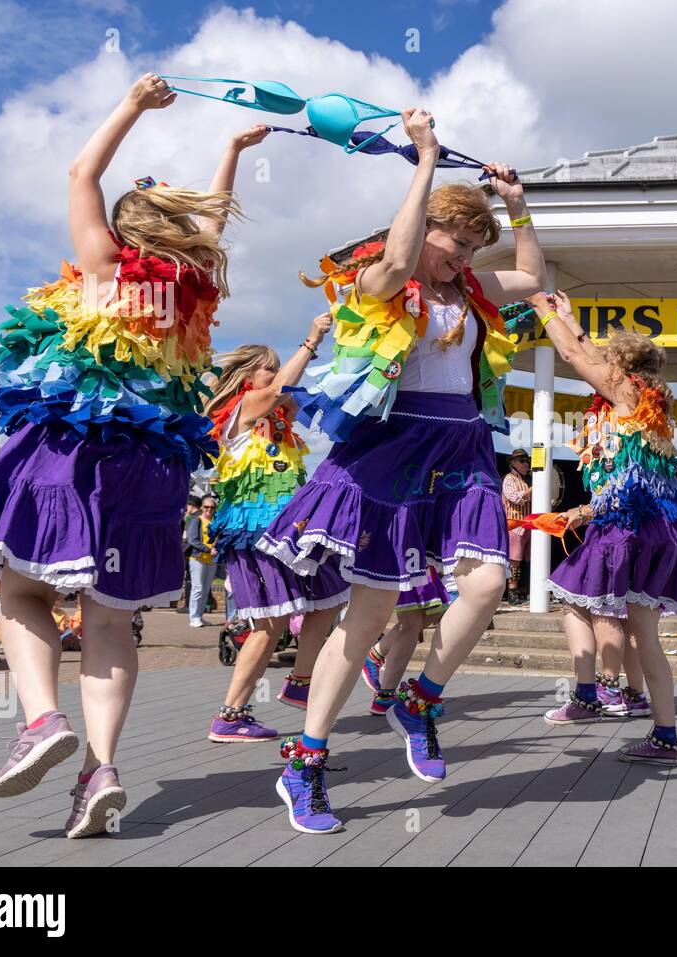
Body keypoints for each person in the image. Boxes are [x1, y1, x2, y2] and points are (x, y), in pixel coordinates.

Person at [0, 74, 260, 838]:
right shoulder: (190, 291)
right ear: (179, 236)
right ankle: (101, 770)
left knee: (17, 591)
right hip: (152, 468)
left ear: (125, 232)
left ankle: (41, 719)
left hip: (75, 452)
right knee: (111, 624)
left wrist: (132, 106)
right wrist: (231, 153)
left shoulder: (104, 266)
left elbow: (81, 172)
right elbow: (211, 229)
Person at [257, 107, 544, 834]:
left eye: (477, 244)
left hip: (464, 447)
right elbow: (400, 250)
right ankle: (307, 759)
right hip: (393, 448)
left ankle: (419, 698)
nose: (465, 255)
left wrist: (516, 209)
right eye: (457, 240)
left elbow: (534, 275)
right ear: (428, 230)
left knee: (488, 579)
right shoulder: (379, 282)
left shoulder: (473, 294)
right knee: (371, 616)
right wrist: (424, 161)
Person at [529, 290, 677, 763]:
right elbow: (588, 352)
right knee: (644, 633)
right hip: (661, 529)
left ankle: (590, 696)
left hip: (623, 526)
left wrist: (544, 309)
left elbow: (573, 354)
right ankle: (664, 733)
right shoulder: (650, 399)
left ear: (619, 369)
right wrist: (572, 318)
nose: (602, 364)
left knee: (574, 601)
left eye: (610, 360)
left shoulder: (623, 393)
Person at [202, 333, 352, 742]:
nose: (276, 371)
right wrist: (312, 339)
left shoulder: (278, 415)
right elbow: (282, 387)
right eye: (270, 365)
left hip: (289, 527)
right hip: (254, 530)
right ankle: (230, 715)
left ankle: (301, 681)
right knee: (270, 623)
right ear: (249, 375)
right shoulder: (244, 406)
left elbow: (312, 392)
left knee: (329, 597)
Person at [360, 567, 454, 714]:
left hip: (419, 555)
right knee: (411, 623)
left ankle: (376, 655)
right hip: (406, 556)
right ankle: (385, 695)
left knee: (435, 610)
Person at [502, 448, 532, 605]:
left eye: (527, 460)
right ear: (513, 463)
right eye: (522, 461)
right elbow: (514, 498)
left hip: (529, 526)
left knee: (528, 560)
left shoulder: (529, 479)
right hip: (515, 526)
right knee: (514, 560)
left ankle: (525, 589)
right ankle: (512, 591)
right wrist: (534, 489)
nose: (526, 463)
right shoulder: (509, 479)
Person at [184, 497, 219, 627]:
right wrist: (209, 549)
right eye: (206, 507)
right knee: (197, 588)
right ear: (201, 508)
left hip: (211, 560)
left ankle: (200, 616)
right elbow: (192, 540)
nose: (209, 509)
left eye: (212, 507)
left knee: (205, 589)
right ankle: (193, 618)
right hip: (197, 558)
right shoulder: (196, 520)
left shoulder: (215, 521)